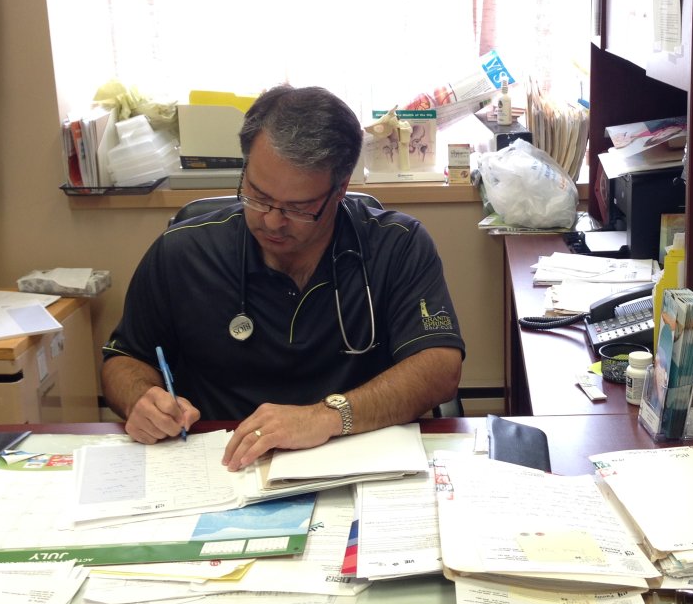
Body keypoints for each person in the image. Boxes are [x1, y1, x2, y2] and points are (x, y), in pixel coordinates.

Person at [101, 84, 465, 471]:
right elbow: (124, 359)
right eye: (257, 196)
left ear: (341, 188)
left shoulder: (397, 245)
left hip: (356, 463)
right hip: (223, 469)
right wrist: (142, 398)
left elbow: (439, 368)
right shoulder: (183, 252)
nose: (272, 221)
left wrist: (327, 417)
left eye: (298, 208)